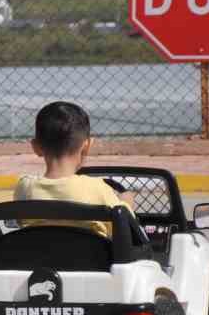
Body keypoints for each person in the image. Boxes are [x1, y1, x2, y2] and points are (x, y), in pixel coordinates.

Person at [13, 100, 134, 239]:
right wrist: (126, 203)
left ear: (36, 147)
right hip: (92, 260)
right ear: (87, 146)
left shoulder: (24, 188)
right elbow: (126, 228)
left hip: (37, 259)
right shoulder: (97, 188)